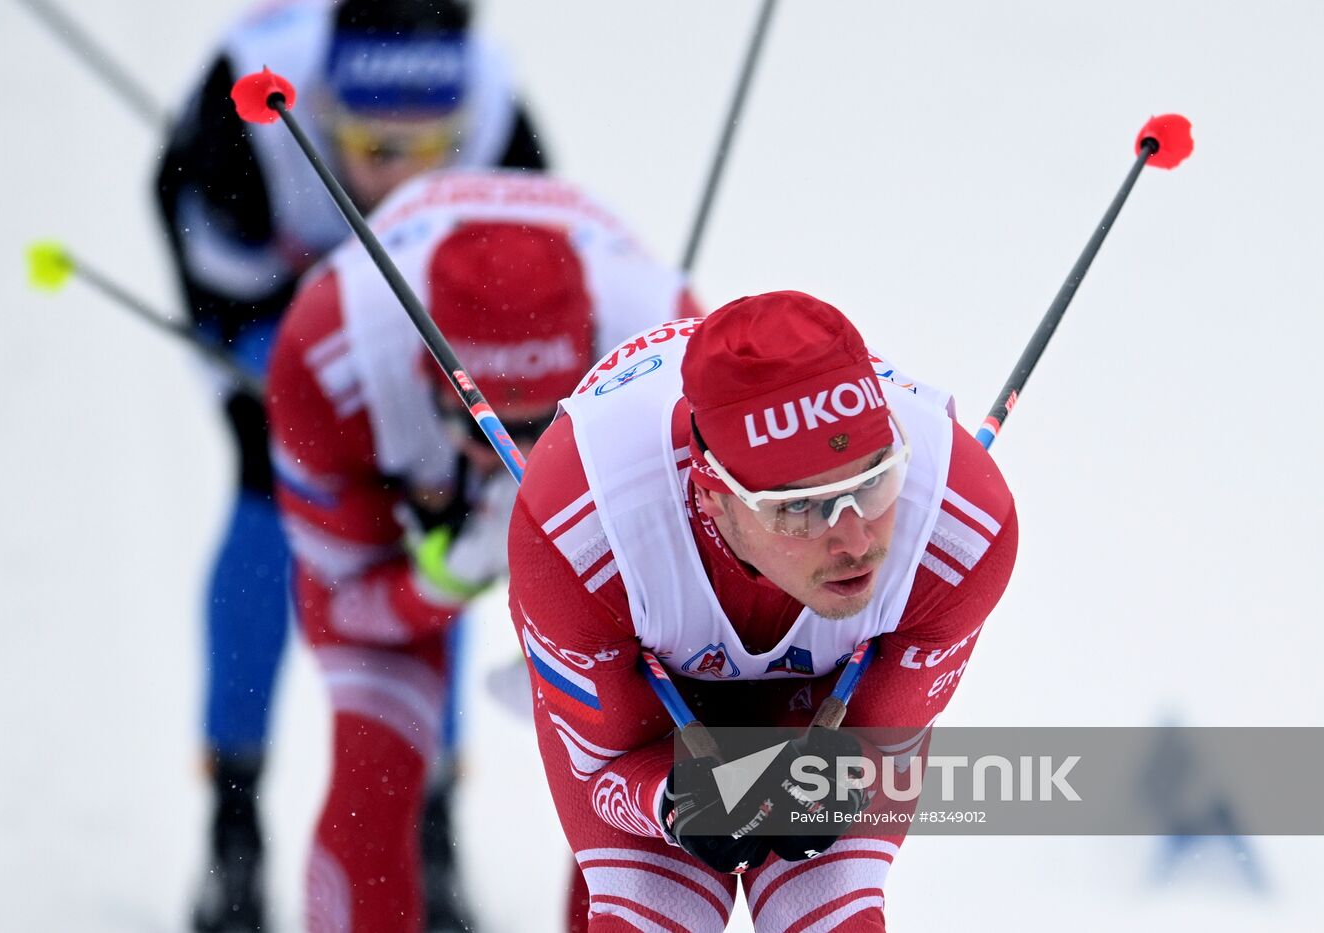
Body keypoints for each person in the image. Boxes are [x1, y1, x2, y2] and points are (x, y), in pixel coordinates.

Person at [152, 1, 548, 928]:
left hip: (426, 346)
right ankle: (234, 826)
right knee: (265, 514)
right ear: (327, 112)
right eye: (372, 145)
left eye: (431, 146)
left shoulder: (497, 111)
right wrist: (270, 362)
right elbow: (204, 257)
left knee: (434, 546)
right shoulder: (242, 115)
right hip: (279, 323)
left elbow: (537, 271)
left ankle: (429, 826)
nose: (400, 172)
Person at [266, 168, 702, 932]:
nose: (511, 455)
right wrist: (443, 574)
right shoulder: (329, 357)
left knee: (656, 771)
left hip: (618, 507)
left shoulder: (672, 364)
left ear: (591, 374)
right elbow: (346, 607)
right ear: (425, 379)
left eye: (543, 424)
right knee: (376, 755)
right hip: (410, 497)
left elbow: (701, 607)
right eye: (483, 426)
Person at [507, 291, 1019, 931]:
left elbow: (887, 742)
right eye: (801, 508)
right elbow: (605, 765)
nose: (856, 540)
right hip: (653, 708)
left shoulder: (958, 530)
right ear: (714, 497)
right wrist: (670, 800)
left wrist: (849, 776)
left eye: (874, 481)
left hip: (827, 704)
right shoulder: (578, 536)